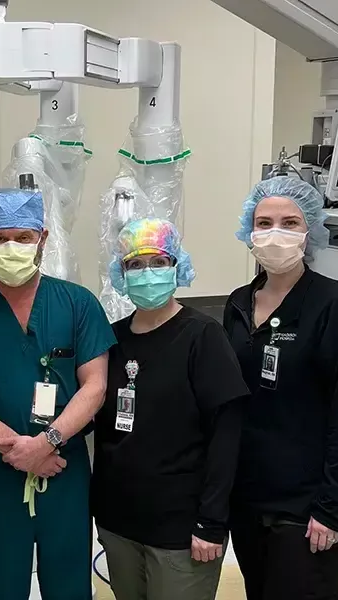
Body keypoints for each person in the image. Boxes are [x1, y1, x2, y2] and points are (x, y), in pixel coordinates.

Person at [0, 188, 116, 600]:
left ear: (43, 239)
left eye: (22, 237)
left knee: (69, 586)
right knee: (0, 587)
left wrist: (48, 442)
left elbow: (96, 386)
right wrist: (19, 450)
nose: (10, 247)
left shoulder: (78, 304)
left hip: (64, 470)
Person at [223, 177, 338, 600]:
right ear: (248, 231)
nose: (275, 233)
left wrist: (332, 507)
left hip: (309, 505)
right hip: (249, 498)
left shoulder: (333, 305)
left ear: (310, 232)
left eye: (290, 222)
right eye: (264, 222)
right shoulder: (237, 303)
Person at [91, 218, 249, 600]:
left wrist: (212, 522)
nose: (147, 273)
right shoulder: (110, 340)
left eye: (159, 262)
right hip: (119, 522)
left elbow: (227, 434)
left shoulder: (202, 336)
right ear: (120, 273)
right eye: (135, 264)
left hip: (181, 527)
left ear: (177, 266)